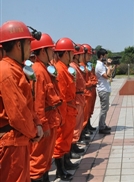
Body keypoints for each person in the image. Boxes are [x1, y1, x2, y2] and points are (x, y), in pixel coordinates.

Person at [0, 20, 44, 182]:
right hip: (12, 143)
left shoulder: (16, 69)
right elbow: (18, 113)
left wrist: (37, 123)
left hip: (20, 139)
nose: (31, 48)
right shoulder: (7, 72)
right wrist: (34, 132)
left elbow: (27, 104)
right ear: (19, 45)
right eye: (28, 43)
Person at [29, 33, 62, 182]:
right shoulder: (39, 71)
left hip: (51, 118)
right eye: (50, 50)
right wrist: (43, 124)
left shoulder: (44, 69)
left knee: (46, 158)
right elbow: (38, 103)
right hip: (46, 120)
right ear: (43, 51)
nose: (53, 53)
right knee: (38, 160)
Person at [53, 37, 78, 180]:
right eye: (71, 53)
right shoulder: (60, 70)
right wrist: (61, 117)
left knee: (66, 139)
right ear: (66, 53)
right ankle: (60, 170)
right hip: (65, 110)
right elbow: (62, 96)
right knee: (61, 140)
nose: (73, 56)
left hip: (69, 109)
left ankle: (64, 165)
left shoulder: (64, 68)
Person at [70, 44, 86, 155]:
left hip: (79, 97)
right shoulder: (72, 67)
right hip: (76, 98)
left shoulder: (75, 66)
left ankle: (74, 144)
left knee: (78, 123)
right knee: (75, 125)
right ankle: (71, 147)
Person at [96, 48, 113, 134]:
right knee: (104, 109)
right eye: (105, 56)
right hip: (102, 89)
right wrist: (109, 66)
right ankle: (101, 127)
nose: (106, 58)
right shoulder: (99, 66)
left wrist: (112, 67)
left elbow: (110, 73)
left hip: (105, 89)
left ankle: (103, 124)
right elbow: (106, 76)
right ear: (101, 56)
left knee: (105, 109)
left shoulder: (102, 65)